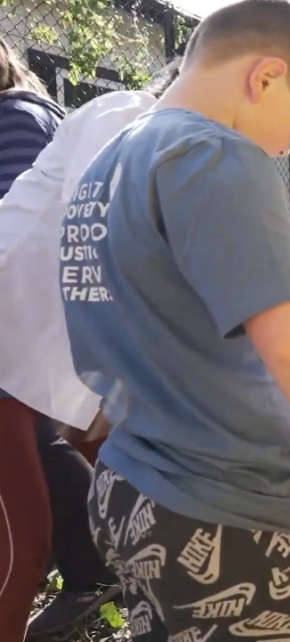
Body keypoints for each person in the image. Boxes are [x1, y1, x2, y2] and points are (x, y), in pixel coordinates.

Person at [59, 2, 290, 640]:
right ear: (267, 77)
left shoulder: (103, 170)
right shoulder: (210, 152)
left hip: (136, 488)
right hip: (237, 520)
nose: (281, 148)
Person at [0, 59, 182, 640]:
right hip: (13, 351)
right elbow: (91, 245)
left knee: (30, 535)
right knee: (21, 545)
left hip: (24, 354)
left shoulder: (26, 120)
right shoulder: (118, 121)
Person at [0, 37, 122, 642]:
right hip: (35, 344)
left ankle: (99, 571)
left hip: (19, 339)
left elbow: (21, 235)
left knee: (20, 538)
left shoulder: (15, 121)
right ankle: (100, 570)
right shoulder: (37, 115)